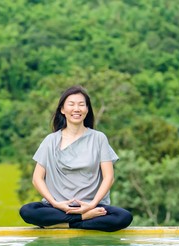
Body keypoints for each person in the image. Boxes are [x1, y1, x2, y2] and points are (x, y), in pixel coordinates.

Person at [19, 85, 133, 232]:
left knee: (123, 217)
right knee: (28, 210)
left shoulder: (99, 138)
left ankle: (63, 223)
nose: (76, 109)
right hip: (59, 208)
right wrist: (56, 203)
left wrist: (91, 205)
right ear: (62, 109)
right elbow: (37, 178)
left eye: (81, 104)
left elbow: (109, 177)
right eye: (71, 104)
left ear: (87, 109)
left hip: (91, 207)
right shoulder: (50, 140)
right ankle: (82, 220)